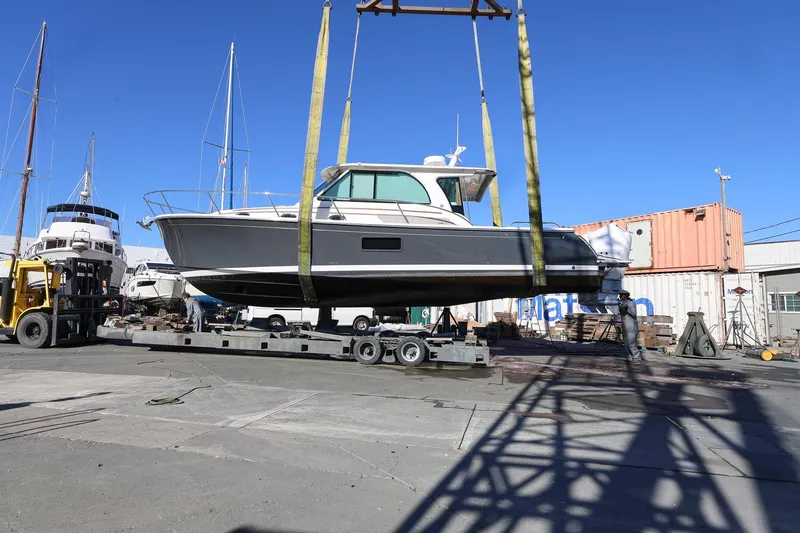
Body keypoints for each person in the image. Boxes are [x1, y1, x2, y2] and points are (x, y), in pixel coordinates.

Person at [618, 289, 642, 363]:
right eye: (620, 295)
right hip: (625, 326)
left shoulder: (630, 304)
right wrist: (621, 305)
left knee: (631, 343)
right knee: (626, 344)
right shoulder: (622, 304)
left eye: (622, 295)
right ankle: (630, 357)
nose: (620, 297)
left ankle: (637, 358)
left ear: (625, 296)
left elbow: (633, 313)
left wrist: (626, 307)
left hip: (631, 327)